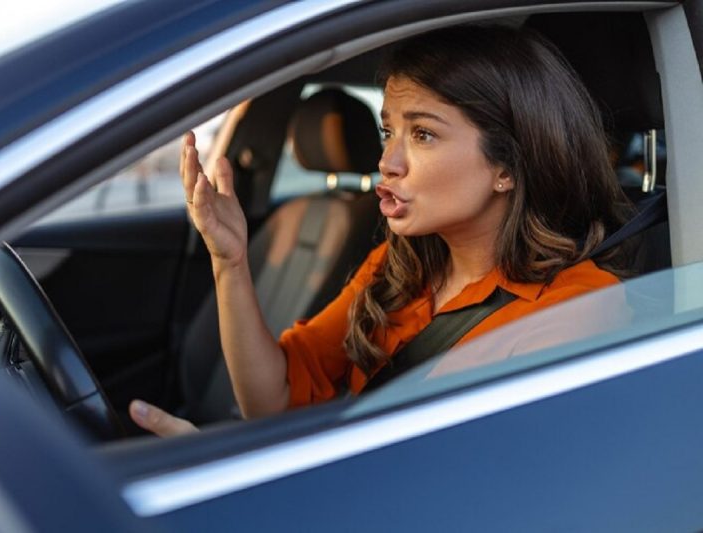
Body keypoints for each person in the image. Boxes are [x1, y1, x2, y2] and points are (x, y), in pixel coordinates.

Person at [128, 25, 633, 437]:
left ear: (508, 165)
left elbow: (458, 494)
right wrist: (230, 262)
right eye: (388, 130)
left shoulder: (577, 308)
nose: (387, 161)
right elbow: (274, 398)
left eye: (424, 134)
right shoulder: (396, 273)